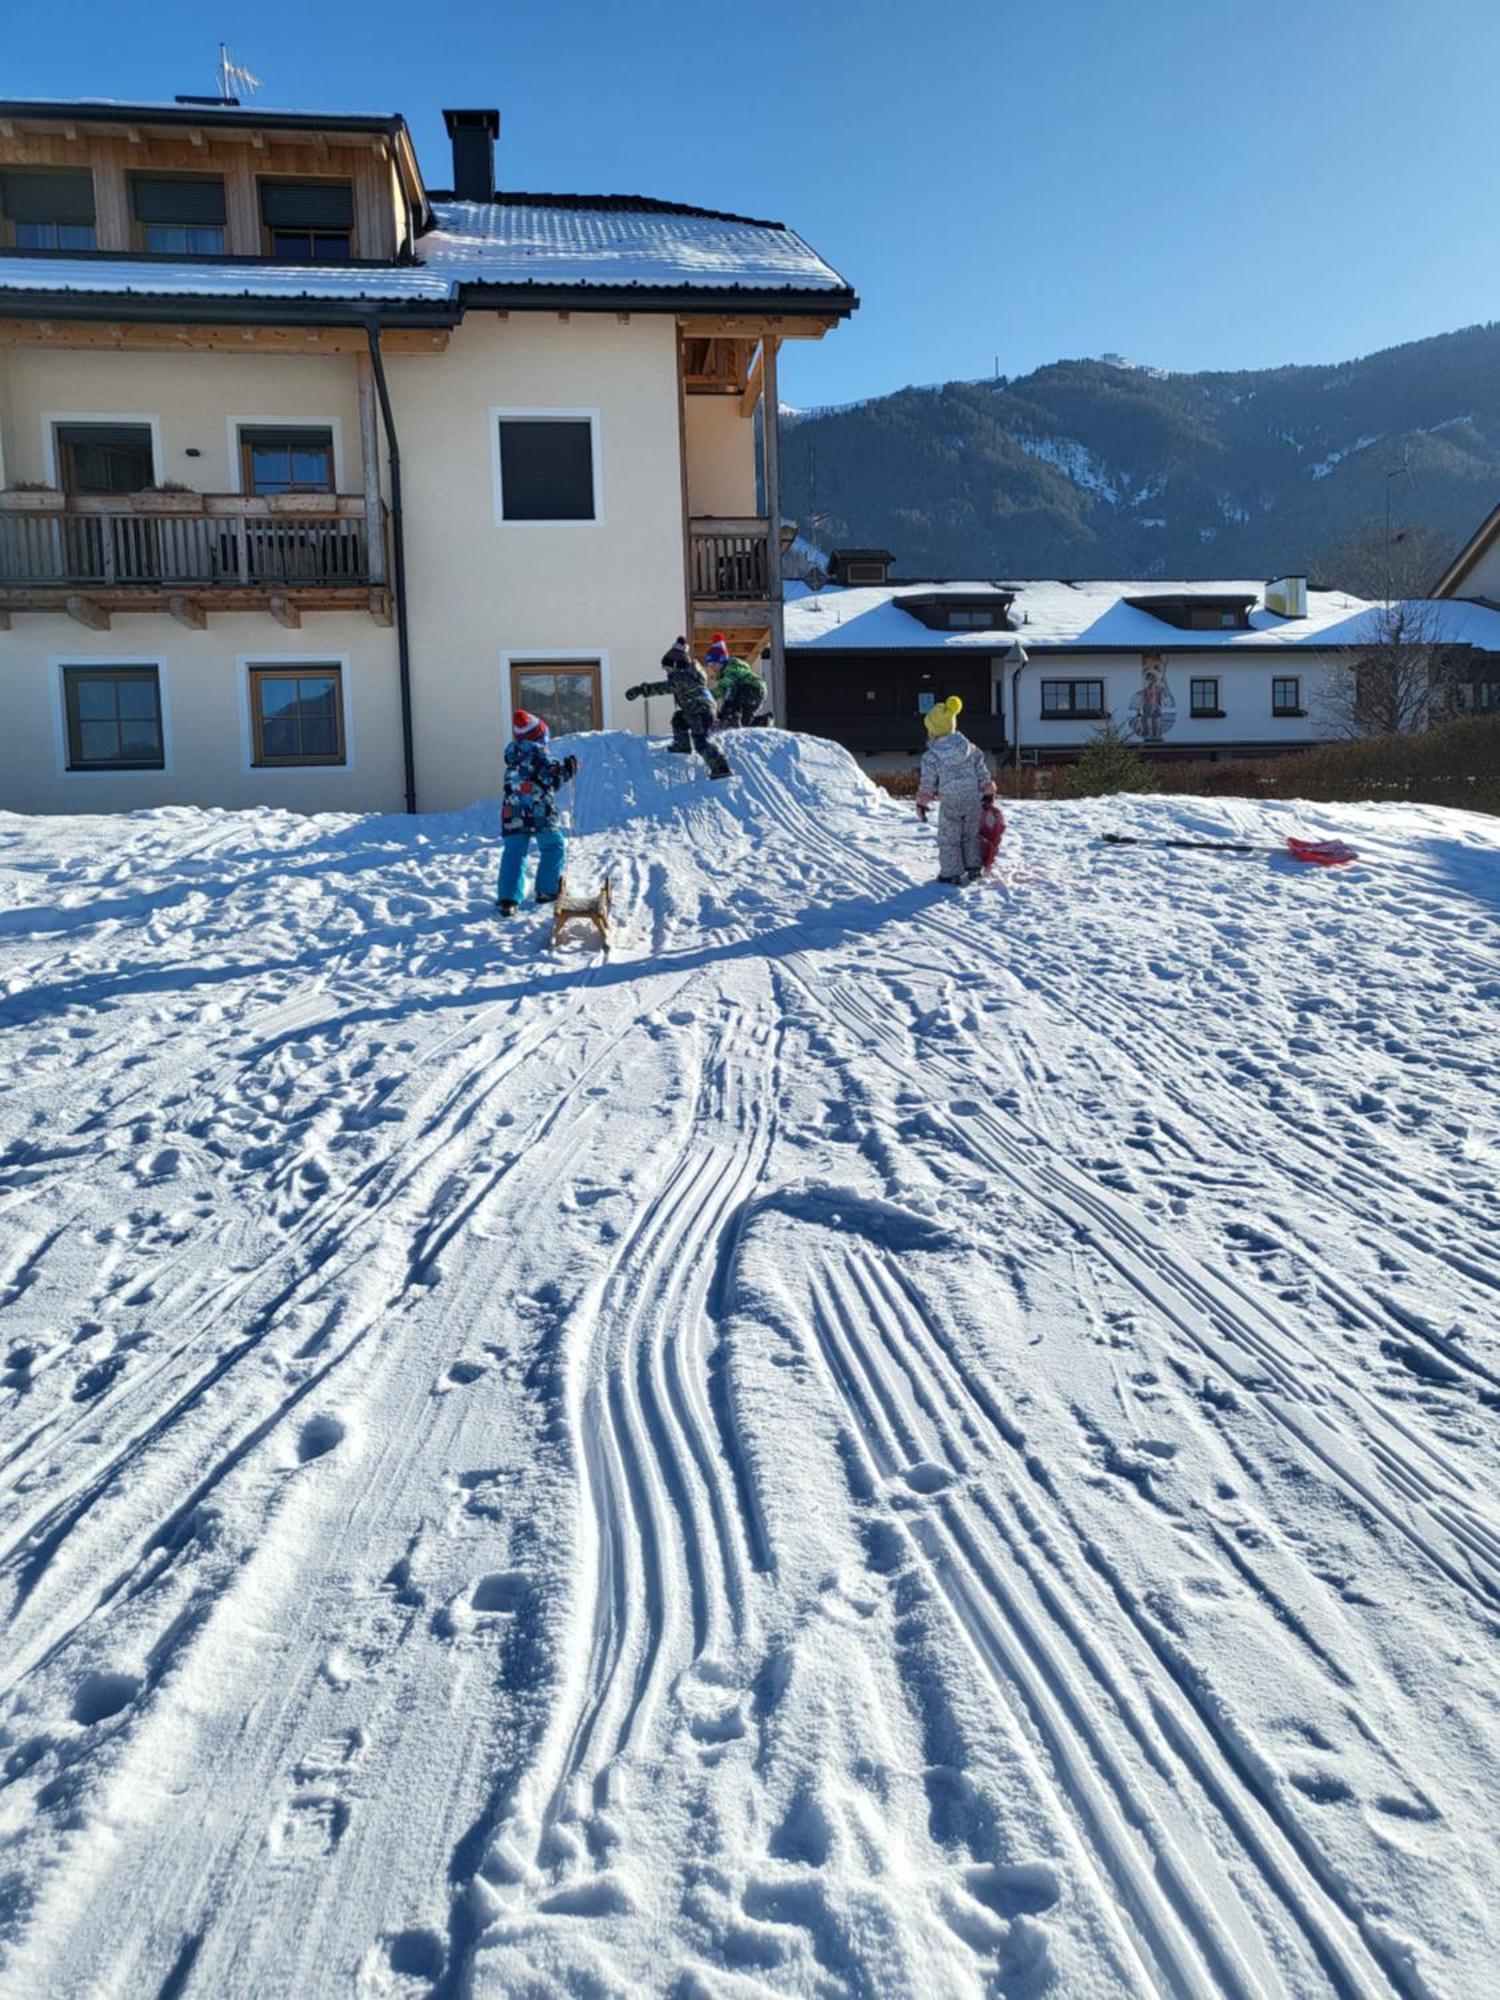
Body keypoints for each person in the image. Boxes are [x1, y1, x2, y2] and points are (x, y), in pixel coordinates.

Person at [497, 709, 577, 915]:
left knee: (514, 852)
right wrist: (567, 770)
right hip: (540, 813)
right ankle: (547, 890)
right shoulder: (541, 756)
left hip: (512, 812)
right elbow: (552, 780)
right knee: (553, 846)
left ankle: (508, 899)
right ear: (539, 736)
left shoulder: (512, 756)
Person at [625, 639, 731, 778]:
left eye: (667, 668)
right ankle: (682, 744)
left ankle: (721, 767)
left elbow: (663, 688)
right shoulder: (690, 673)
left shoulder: (683, 678)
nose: (667, 672)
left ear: (676, 666)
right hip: (696, 710)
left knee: (700, 741)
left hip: (700, 711)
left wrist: (641, 690)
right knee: (679, 718)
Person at [915, 695, 991, 884]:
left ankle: (951, 872)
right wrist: (987, 789)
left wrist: (922, 801)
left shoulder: (931, 756)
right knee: (971, 834)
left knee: (950, 837)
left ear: (933, 730)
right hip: (973, 798)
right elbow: (981, 770)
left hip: (950, 801)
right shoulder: (970, 749)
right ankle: (974, 867)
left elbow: (928, 783)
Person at [706, 635, 768, 729]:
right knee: (745, 721)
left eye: (713, 663)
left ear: (721, 660)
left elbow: (722, 688)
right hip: (757, 693)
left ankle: (730, 721)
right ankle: (764, 721)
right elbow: (721, 688)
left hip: (752, 688)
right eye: (709, 664)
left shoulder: (730, 668)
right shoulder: (726, 674)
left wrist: (707, 696)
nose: (711, 667)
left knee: (731, 700)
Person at [978, 780, 1007, 875]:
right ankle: (984, 864)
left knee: (990, 847)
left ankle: (987, 865)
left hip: (990, 837)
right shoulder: (980, 811)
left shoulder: (994, 812)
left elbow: (1001, 826)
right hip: (982, 836)